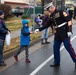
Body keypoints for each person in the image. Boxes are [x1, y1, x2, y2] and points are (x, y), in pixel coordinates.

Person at [34, 3, 76, 69]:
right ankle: (57, 62)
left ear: (52, 7)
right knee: (55, 48)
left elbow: (68, 21)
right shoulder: (51, 16)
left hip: (65, 33)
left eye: (49, 9)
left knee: (68, 47)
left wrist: (69, 31)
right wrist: (39, 29)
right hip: (57, 34)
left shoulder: (61, 12)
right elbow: (47, 24)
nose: (48, 11)